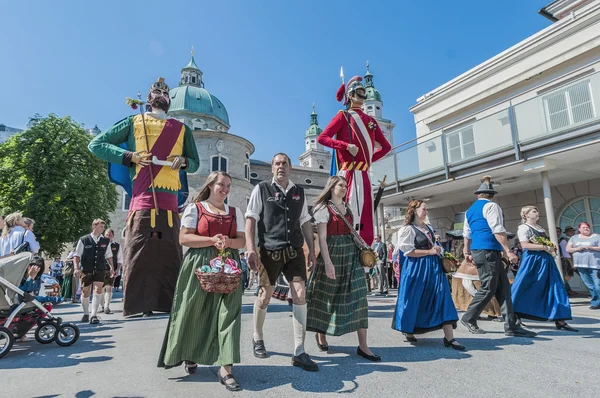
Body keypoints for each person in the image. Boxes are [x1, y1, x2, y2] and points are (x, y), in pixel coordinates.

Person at [89, 77, 200, 317]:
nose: (160, 93)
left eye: (164, 91)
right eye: (156, 90)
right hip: (142, 199)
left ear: (169, 99)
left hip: (170, 203)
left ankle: (167, 302)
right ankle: (137, 304)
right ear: (148, 99)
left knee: (170, 253)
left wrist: (184, 162)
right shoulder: (133, 122)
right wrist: (130, 156)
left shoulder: (182, 130)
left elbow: (195, 164)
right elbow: (96, 144)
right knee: (138, 251)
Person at [158, 171, 245, 391]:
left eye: (228, 186)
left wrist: (228, 242)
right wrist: (211, 239)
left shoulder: (235, 212)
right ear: (210, 185)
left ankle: (226, 368)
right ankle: (190, 352)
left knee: (229, 314)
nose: (225, 189)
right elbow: (184, 237)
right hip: (199, 264)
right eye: (221, 185)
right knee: (194, 311)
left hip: (229, 266)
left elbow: (242, 241)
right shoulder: (195, 208)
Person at [245, 153, 318, 372]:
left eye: (285, 163)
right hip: (269, 249)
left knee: (300, 293)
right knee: (265, 295)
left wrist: (311, 251)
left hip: (294, 250)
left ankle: (299, 350)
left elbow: (305, 222)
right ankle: (257, 337)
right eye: (277, 163)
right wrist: (250, 249)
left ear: (290, 168)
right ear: (272, 168)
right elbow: (251, 219)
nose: (281, 167)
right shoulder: (262, 189)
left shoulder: (299, 192)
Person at [306, 176, 380, 361]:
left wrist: (366, 249)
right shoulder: (323, 209)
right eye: (341, 185)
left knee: (359, 294)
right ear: (331, 187)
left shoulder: (348, 208)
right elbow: (322, 238)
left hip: (350, 254)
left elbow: (352, 233)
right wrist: (328, 262)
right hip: (331, 253)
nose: (345, 188)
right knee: (326, 296)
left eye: (345, 185)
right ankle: (321, 333)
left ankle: (363, 345)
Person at [317, 74, 391, 246]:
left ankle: (366, 256)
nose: (362, 97)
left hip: (364, 174)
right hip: (347, 173)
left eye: (364, 93)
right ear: (350, 95)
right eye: (359, 93)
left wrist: (368, 160)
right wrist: (345, 146)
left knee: (365, 215)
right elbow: (322, 138)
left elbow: (386, 147)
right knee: (348, 211)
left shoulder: (371, 121)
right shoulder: (343, 116)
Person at [461, 176, 536, 337]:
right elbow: (497, 229)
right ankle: (469, 317)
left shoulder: (470, 210)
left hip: (480, 250)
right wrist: (508, 251)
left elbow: (466, 233)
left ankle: (511, 325)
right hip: (488, 250)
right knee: (489, 287)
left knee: (503, 288)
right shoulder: (492, 206)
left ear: (478, 195)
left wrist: (466, 252)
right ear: (492, 195)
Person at [392, 200, 465, 351]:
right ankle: (409, 329)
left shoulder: (429, 228)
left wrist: (436, 249)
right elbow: (408, 252)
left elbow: (432, 247)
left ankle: (450, 338)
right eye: (423, 209)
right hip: (416, 269)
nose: (426, 212)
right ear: (414, 210)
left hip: (434, 268)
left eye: (426, 209)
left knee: (442, 296)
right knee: (414, 300)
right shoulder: (407, 230)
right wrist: (429, 252)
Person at [511, 206, 577, 332]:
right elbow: (524, 245)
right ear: (526, 215)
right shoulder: (523, 227)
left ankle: (560, 319)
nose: (537, 213)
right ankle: (514, 312)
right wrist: (545, 247)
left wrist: (549, 249)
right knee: (524, 285)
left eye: (537, 211)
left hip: (546, 260)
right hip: (532, 260)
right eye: (534, 211)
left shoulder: (540, 228)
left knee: (555, 286)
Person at [73, 219, 115, 324]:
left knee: (98, 290)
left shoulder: (106, 241)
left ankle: (93, 315)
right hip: (86, 269)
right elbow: (77, 256)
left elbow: (109, 255)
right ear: (94, 226)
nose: (103, 229)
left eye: (103, 227)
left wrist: (112, 268)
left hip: (100, 269)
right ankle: (86, 313)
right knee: (85, 292)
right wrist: (76, 268)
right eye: (101, 226)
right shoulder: (84, 240)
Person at [566, 222, 600, 309]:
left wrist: (592, 248)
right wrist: (578, 248)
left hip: (595, 264)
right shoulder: (574, 238)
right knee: (589, 284)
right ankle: (596, 302)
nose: (586, 229)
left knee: (597, 284)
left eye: (587, 227)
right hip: (581, 264)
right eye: (584, 228)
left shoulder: (596, 236)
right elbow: (568, 249)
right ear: (579, 229)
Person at [99, 228, 123, 314]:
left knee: (109, 288)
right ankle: (102, 306)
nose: (109, 236)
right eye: (107, 235)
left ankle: (107, 307)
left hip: (112, 270)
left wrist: (117, 269)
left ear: (113, 236)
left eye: (110, 235)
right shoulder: (100, 244)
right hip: (100, 269)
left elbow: (120, 259)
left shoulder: (117, 246)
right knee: (101, 289)